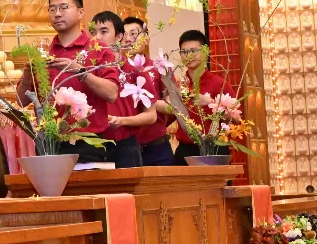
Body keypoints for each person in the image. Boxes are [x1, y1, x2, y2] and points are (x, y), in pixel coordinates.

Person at [15, 0, 121, 165]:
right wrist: (27, 76)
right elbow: (20, 102)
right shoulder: (44, 52)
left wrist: (80, 71)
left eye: (64, 8)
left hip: (88, 143)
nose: (57, 14)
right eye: (52, 9)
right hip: (48, 143)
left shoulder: (98, 49)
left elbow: (111, 93)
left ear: (80, 12)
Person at [157, 29, 227, 165]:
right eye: (184, 52)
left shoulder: (219, 84)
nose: (189, 55)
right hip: (186, 150)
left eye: (194, 51)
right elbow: (168, 119)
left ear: (205, 52)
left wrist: (211, 102)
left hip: (214, 149)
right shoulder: (177, 86)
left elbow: (235, 118)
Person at [111, 16, 172, 166]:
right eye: (124, 35)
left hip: (156, 148)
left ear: (146, 39)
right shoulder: (112, 70)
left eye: (134, 34)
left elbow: (173, 108)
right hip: (124, 148)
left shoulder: (159, 67)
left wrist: (146, 100)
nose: (128, 39)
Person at [90, 11, 142, 168]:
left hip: (125, 146)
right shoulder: (85, 69)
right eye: (93, 32)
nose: (97, 37)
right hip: (93, 144)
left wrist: (122, 121)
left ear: (119, 37)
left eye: (104, 31)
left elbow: (151, 115)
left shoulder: (134, 69)